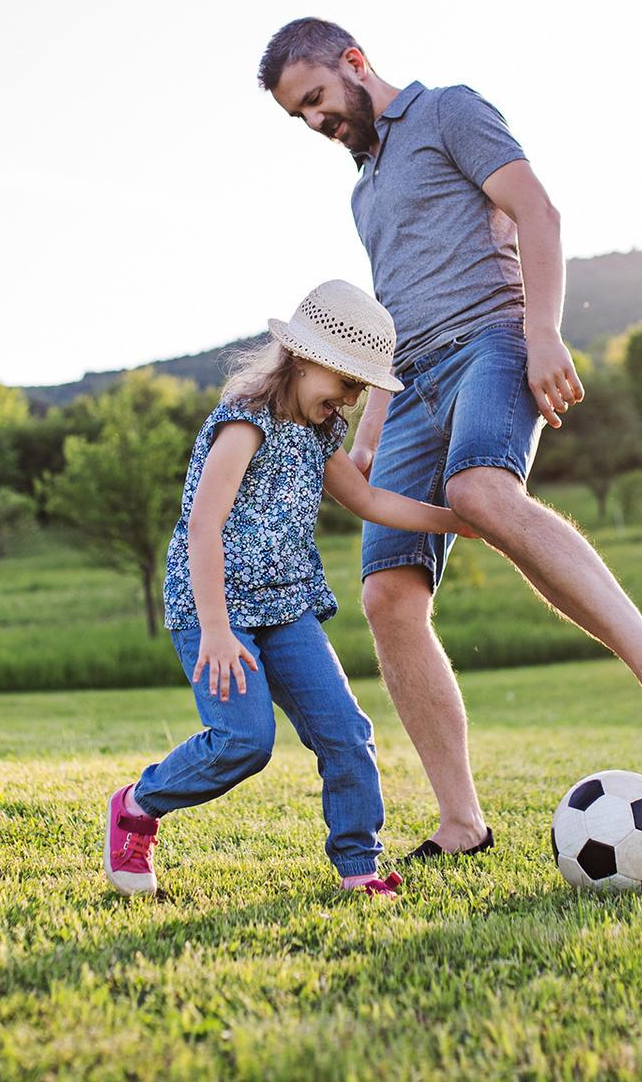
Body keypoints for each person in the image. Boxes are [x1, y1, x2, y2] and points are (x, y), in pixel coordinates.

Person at [258, 16, 642, 859]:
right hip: (410, 386)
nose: (318, 125)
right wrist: (367, 435)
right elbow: (389, 325)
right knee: (387, 597)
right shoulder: (363, 194)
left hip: (492, 340)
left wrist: (543, 332)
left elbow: (537, 211)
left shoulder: (449, 111)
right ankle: (461, 823)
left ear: (355, 63)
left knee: (481, 491)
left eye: (319, 101)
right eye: (302, 118)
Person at [103, 280, 480, 899]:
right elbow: (203, 525)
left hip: (287, 606)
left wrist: (459, 520)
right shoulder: (245, 422)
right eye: (347, 385)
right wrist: (218, 631)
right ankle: (137, 805)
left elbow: (367, 498)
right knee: (244, 742)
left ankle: (359, 868)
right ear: (308, 360)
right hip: (216, 608)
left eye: (360, 391)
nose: (352, 403)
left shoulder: (319, 432)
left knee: (346, 732)